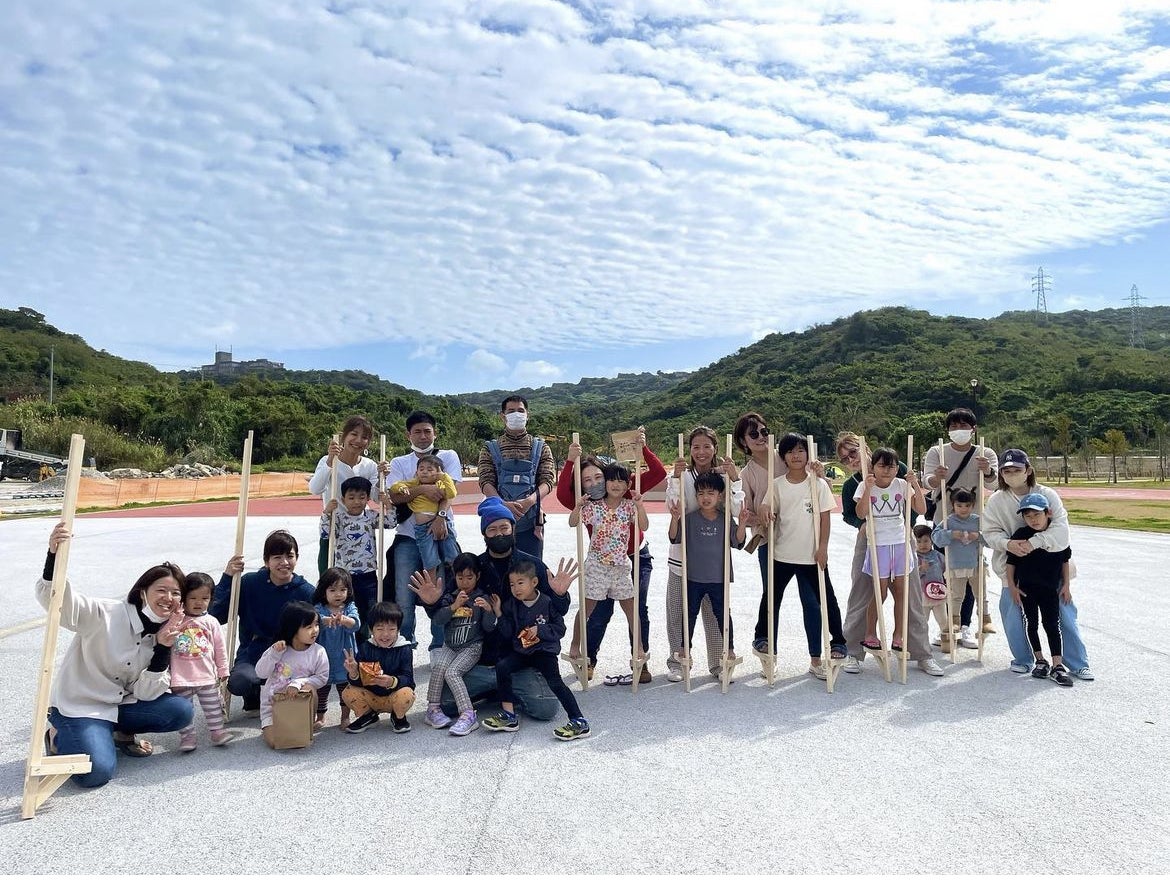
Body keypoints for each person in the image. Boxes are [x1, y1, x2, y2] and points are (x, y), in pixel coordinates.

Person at [37, 522, 194, 788]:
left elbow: (146, 693)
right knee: (96, 773)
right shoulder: (106, 613)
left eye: (176, 593)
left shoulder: (167, 631)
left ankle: (119, 734)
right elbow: (58, 602)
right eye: (161, 590)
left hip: (120, 705)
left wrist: (162, 647)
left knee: (180, 711)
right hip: (81, 707)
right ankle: (57, 734)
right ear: (142, 592)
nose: (169, 597)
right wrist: (54, 556)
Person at [408, 497, 580, 721]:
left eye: (504, 527)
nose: (499, 534)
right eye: (492, 529)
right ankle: (497, 688)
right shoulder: (472, 569)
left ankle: (502, 688)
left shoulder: (532, 566)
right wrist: (431, 603)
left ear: (513, 529)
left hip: (522, 660)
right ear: (484, 534)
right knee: (445, 704)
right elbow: (443, 613)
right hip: (480, 660)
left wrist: (559, 594)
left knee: (545, 708)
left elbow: (559, 611)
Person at [556, 428, 665, 683]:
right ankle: (588, 658)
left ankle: (640, 660)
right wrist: (570, 461)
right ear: (581, 485)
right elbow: (563, 496)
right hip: (600, 562)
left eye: (598, 477)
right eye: (587, 480)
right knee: (598, 612)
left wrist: (643, 449)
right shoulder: (588, 503)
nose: (594, 483)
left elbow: (658, 473)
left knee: (637, 608)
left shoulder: (623, 490)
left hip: (634, 557)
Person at [835, 433, 945, 677]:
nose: (850, 459)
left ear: (865, 448)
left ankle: (921, 653)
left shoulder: (896, 467)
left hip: (900, 539)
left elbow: (914, 503)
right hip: (870, 541)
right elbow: (850, 514)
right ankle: (853, 651)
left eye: (853, 452)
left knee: (910, 596)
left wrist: (909, 523)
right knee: (862, 594)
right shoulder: (853, 484)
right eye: (844, 459)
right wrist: (862, 524)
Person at [983, 449, 1094, 679]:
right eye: (1006, 471)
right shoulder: (996, 500)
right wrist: (1008, 544)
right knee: (1014, 617)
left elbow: (1061, 531)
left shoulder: (1047, 494)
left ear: (1028, 470)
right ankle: (1024, 659)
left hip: (1051, 570)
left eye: (1017, 469)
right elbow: (989, 533)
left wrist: (1033, 543)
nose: (1012, 474)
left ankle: (1076, 663)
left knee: (1063, 617)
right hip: (1015, 570)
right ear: (1001, 474)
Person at [755, 434, 847, 679]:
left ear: (808, 454)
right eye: (790, 452)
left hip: (811, 556)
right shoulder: (777, 484)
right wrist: (764, 509)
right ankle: (762, 639)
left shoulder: (817, 484)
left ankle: (837, 643)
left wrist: (823, 548)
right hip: (782, 554)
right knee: (771, 599)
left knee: (825, 600)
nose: (796, 456)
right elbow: (766, 506)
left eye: (800, 451)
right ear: (783, 457)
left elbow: (825, 518)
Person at [664, 425, 742, 682]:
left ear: (715, 448)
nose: (701, 452)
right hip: (683, 553)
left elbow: (736, 510)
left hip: (712, 557)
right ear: (689, 449)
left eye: (706, 446)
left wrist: (735, 479)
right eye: (695, 446)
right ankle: (678, 660)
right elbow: (672, 506)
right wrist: (675, 479)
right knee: (678, 610)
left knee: (715, 612)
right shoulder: (683, 475)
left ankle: (719, 662)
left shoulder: (724, 475)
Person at [482, 561, 591, 741]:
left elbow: (560, 629)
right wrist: (499, 613)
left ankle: (579, 720)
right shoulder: (511, 605)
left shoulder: (546, 602)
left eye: (520, 582)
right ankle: (509, 716)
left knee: (555, 682)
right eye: (512, 584)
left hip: (544, 651)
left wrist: (539, 630)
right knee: (502, 667)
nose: (516, 588)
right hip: (522, 652)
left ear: (534, 582)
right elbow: (508, 633)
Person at [211, 529, 315, 712]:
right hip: (253, 653)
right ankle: (253, 694)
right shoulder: (249, 583)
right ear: (266, 561)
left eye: (289, 556)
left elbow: (315, 631)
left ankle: (278, 694)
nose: (284, 562)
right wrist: (228, 578)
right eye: (277, 557)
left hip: (289, 656)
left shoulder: (306, 592)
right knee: (240, 682)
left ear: (297, 558)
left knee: (292, 685)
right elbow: (216, 615)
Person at [387, 410, 463, 649]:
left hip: (439, 533)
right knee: (404, 593)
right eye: (417, 431)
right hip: (408, 535)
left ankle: (439, 644)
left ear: (435, 433)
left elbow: (448, 493)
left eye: (427, 431)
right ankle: (405, 643)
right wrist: (422, 489)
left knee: (440, 589)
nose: (422, 436)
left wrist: (441, 517)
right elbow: (395, 496)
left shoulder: (448, 457)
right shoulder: (399, 463)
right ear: (408, 435)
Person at [569, 461, 649, 684]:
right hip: (597, 566)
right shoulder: (594, 507)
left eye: (622, 481)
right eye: (612, 480)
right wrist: (578, 506)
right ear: (605, 482)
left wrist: (640, 505)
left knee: (631, 608)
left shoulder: (629, 506)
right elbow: (573, 522)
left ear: (628, 485)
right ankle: (575, 643)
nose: (616, 484)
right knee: (587, 608)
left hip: (620, 566)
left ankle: (638, 647)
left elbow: (644, 526)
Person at [855, 446, 927, 654]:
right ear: (873, 467)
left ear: (897, 468)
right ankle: (870, 633)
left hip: (900, 543)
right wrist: (868, 489)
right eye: (882, 466)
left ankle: (898, 635)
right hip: (878, 544)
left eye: (891, 466)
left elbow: (921, 509)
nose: (886, 470)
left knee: (902, 592)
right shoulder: (864, 485)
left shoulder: (902, 484)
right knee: (881, 592)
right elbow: (860, 513)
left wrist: (915, 484)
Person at [424, 553, 498, 736]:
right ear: (454, 577)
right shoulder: (451, 597)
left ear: (478, 576)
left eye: (469, 577)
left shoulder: (481, 598)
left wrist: (489, 610)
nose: (465, 582)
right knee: (439, 666)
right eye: (460, 577)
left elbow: (489, 628)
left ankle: (468, 714)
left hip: (471, 647)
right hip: (450, 645)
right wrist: (453, 606)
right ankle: (433, 709)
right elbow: (438, 620)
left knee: (452, 672)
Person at [1006, 493, 1074, 687]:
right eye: (1028, 516)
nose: (1033, 519)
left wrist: (1066, 585)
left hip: (1050, 588)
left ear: (1048, 513)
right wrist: (1012, 586)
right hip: (1027, 589)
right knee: (1032, 623)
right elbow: (1011, 562)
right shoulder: (1021, 534)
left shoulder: (1058, 534)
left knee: (1052, 625)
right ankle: (1040, 660)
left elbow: (1065, 561)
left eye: (1037, 514)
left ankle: (1057, 665)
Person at [477, 395, 556, 559]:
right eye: (511, 411)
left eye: (520, 411)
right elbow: (485, 480)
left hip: (531, 523)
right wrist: (502, 504)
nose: (516, 414)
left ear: (528, 415)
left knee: (530, 569)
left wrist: (529, 501)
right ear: (503, 416)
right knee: (499, 568)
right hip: (498, 524)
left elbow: (548, 480)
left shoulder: (541, 447)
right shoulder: (489, 447)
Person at [308, 415, 385, 574]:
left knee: (360, 579)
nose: (358, 440)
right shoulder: (327, 460)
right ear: (344, 436)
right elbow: (315, 489)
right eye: (354, 434)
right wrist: (330, 462)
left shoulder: (369, 466)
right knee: (329, 578)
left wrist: (382, 477)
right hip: (333, 527)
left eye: (364, 437)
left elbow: (376, 497)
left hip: (359, 530)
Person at [254, 601, 330, 748]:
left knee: (309, 688)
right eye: (308, 627)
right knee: (277, 743)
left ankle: (305, 724)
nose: (315, 630)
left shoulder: (318, 651)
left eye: (316, 625)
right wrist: (274, 655)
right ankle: (278, 728)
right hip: (273, 704)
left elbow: (322, 678)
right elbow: (260, 673)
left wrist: (298, 683)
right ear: (293, 628)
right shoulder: (278, 649)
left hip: (300, 705)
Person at [170, 571, 231, 752]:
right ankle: (187, 736)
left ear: (211, 599)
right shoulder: (175, 620)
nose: (199, 602)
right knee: (185, 710)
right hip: (181, 677)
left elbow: (220, 648)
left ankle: (217, 732)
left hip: (206, 676)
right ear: (184, 598)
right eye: (193, 598)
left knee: (213, 707)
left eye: (205, 598)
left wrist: (223, 669)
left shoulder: (211, 622)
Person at [322, 476, 390, 632]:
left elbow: (390, 522)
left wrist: (387, 504)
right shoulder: (338, 517)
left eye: (362, 497)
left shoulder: (371, 516)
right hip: (345, 576)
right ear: (343, 499)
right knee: (350, 610)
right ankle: (352, 637)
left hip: (368, 573)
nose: (357, 502)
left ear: (367, 498)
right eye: (351, 498)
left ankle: (371, 637)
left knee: (372, 609)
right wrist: (327, 512)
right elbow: (325, 533)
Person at [342, 601, 417, 734]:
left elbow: (409, 680)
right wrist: (353, 673)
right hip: (371, 696)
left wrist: (393, 681)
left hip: (394, 695)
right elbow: (358, 683)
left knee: (407, 694)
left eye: (391, 629)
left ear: (398, 630)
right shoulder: (366, 648)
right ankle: (368, 716)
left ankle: (398, 716)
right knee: (348, 692)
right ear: (371, 630)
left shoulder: (404, 649)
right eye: (380, 629)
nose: (385, 634)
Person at [930, 488, 984, 649]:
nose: (963, 509)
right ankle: (950, 627)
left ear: (973, 505)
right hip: (955, 565)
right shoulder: (948, 521)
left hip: (975, 565)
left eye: (967, 505)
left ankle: (966, 627)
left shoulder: (978, 520)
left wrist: (978, 536)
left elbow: (991, 538)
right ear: (953, 505)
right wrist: (950, 534)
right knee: (955, 596)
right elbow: (936, 538)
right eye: (959, 505)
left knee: (977, 594)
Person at [389, 453, 460, 575]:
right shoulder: (414, 483)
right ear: (416, 472)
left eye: (429, 469)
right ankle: (431, 583)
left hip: (442, 526)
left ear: (438, 472)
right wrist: (402, 488)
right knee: (430, 562)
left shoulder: (439, 484)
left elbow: (451, 494)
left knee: (453, 556)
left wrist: (444, 477)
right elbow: (395, 488)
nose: (425, 472)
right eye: (421, 469)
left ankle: (459, 580)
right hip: (422, 530)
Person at [921, 407, 998, 520]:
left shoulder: (985, 453)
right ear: (948, 430)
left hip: (975, 521)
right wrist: (937, 478)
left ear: (973, 429)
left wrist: (988, 472)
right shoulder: (937, 452)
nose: (958, 430)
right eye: (954, 426)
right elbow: (926, 483)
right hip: (943, 520)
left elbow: (993, 485)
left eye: (963, 425)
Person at [312, 567, 359, 730]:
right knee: (322, 689)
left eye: (342, 590)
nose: (338, 594)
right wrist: (324, 621)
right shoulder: (319, 608)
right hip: (323, 659)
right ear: (323, 591)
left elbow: (356, 624)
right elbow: (314, 622)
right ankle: (320, 717)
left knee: (345, 690)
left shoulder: (349, 607)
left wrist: (345, 620)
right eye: (332, 590)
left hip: (344, 658)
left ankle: (345, 717)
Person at [733, 412, 776, 592]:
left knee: (815, 594)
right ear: (743, 442)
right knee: (771, 595)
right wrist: (763, 519)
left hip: (799, 536)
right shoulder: (746, 474)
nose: (761, 437)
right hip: (769, 539)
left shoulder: (787, 457)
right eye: (753, 434)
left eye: (764, 432)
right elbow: (746, 515)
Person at [912, 525, 951, 648]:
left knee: (944, 620)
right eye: (918, 541)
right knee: (922, 622)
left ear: (932, 541)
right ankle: (922, 644)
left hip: (939, 595)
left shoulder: (938, 556)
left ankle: (947, 641)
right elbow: (910, 576)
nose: (922, 544)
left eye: (926, 541)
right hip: (922, 597)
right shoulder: (913, 557)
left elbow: (946, 569)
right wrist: (921, 569)